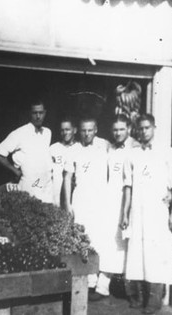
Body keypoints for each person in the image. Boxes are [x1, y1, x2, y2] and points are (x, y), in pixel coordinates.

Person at [120, 113, 172, 314]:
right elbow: (128, 186)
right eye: (141, 128)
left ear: (154, 127)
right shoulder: (132, 153)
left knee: (157, 253)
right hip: (138, 210)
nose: (144, 132)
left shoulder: (166, 152)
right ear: (136, 130)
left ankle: (154, 300)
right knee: (137, 252)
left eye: (147, 127)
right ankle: (136, 297)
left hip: (158, 211)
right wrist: (126, 213)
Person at [88, 114, 140, 301]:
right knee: (108, 242)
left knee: (124, 244)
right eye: (115, 129)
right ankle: (103, 285)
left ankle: (128, 290)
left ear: (129, 129)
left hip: (127, 200)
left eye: (122, 129)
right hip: (109, 201)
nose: (118, 133)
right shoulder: (109, 147)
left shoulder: (136, 148)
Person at [62, 117, 109, 298]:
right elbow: (67, 178)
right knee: (84, 239)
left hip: (100, 200)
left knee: (100, 238)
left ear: (96, 130)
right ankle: (89, 281)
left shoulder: (104, 145)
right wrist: (67, 204)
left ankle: (102, 282)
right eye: (83, 130)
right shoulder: (73, 150)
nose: (87, 134)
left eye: (90, 130)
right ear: (78, 131)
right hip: (81, 200)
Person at [0, 100, 53, 203]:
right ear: (30, 114)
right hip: (27, 188)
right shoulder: (20, 133)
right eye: (35, 113)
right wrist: (15, 171)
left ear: (45, 113)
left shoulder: (48, 132)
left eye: (41, 113)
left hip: (46, 189)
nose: (38, 116)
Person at [50, 117, 80, 207]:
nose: (65, 133)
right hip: (56, 191)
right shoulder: (53, 148)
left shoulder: (79, 148)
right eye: (62, 130)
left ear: (74, 130)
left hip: (73, 191)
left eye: (67, 129)